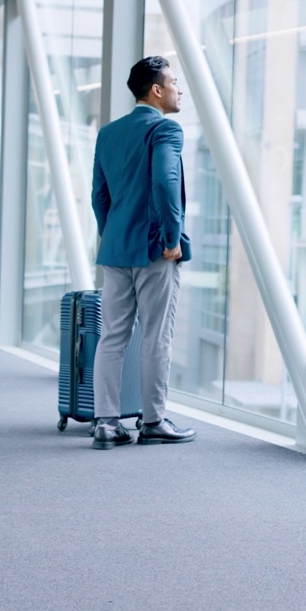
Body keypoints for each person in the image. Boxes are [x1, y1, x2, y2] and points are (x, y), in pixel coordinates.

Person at [88, 56, 197, 450]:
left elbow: (99, 195)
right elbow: (166, 183)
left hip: (116, 248)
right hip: (155, 249)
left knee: (112, 336)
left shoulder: (109, 133)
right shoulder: (165, 129)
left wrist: (112, 234)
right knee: (156, 336)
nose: (178, 90)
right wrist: (172, 237)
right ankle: (152, 421)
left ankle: (106, 423)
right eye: (173, 83)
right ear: (157, 89)